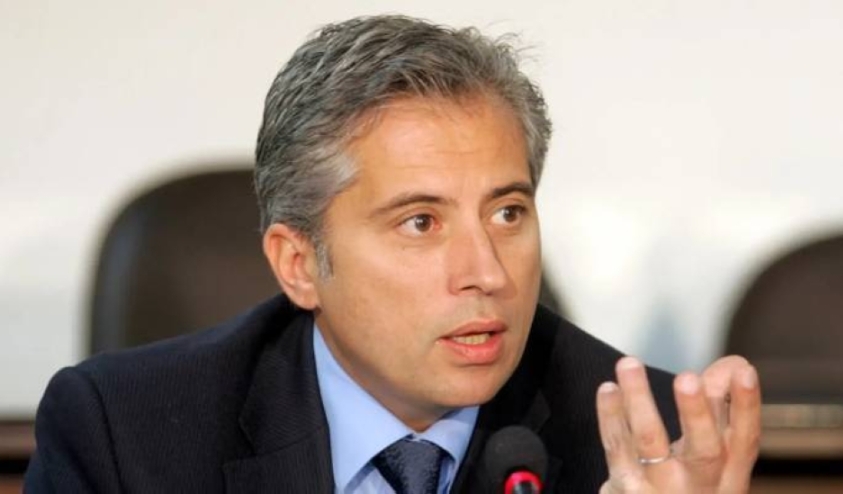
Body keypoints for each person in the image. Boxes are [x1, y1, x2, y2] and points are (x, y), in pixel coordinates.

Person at [24, 15, 760, 493]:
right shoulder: (125, 437)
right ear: (298, 264)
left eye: (507, 212)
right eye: (420, 223)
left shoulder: (651, 451)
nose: (487, 272)